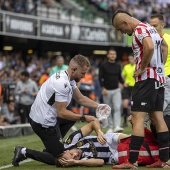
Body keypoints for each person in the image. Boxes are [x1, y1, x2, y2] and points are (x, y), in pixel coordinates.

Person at [12, 54, 110, 166]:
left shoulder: (68, 77)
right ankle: (24, 151)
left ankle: (52, 147)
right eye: (82, 73)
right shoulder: (62, 84)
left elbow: (80, 98)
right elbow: (62, 112)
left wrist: (99, 106)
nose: (84, 76)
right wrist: (84, 118)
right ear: (74, 69)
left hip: (45, 117)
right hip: (42, 123)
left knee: (72, 117)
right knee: (62, 159)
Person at [112, 9, 169, 169]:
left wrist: (143, 68)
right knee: (158, 118)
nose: (122, 32)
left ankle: (131, 161)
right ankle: (164, 160)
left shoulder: (139, 29)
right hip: (159, 78)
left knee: (137, 118)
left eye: (120, 29)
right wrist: (160, 67)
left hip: (146, 80)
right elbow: (163, 46)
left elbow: (149, 47)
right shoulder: (150, 28)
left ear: (125, 22)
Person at [56, 120, 129, 167]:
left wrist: (99, 132)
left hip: (108, 140)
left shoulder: (71, 141)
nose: (75, 155)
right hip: (111, 156)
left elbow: (93, 123)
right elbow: (101, 162)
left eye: (71, 154)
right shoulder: (81, 161)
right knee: (130, 155)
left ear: (66, 150)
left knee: (126, 140)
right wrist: (76, 162)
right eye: (74, 158)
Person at [149, 13, 170, 136]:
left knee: (160, 111)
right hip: (153, 80)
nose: (153, 28)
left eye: (155, 25)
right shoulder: (148, 41)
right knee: (157, 115)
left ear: (162, 25)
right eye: (151, 26)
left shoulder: (168, 39)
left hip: (167, 79)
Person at [99, 49, 124, 133]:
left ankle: (117, 126)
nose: (113, 55)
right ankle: (110, 127)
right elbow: (100, 78)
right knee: (108, 109)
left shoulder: (118, 65)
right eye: (111, 54)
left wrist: (123, 83)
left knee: (117, 108)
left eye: (114, 54)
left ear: (116, 55)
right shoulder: (103, 65)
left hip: (116, 89)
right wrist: (103, 88)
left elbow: (119, 77)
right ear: (108, 55)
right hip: (106, 90)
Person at [121, 54, 135, 127]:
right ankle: (125, 122)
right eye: (129, 59)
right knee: (125, 104)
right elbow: (123, 75)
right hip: (127, 87)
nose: (130, 60)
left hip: (135, 87)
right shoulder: (126, 67)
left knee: (134, 105)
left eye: (131, 58)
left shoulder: (137, 66)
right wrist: (124, 83)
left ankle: (134, 121)